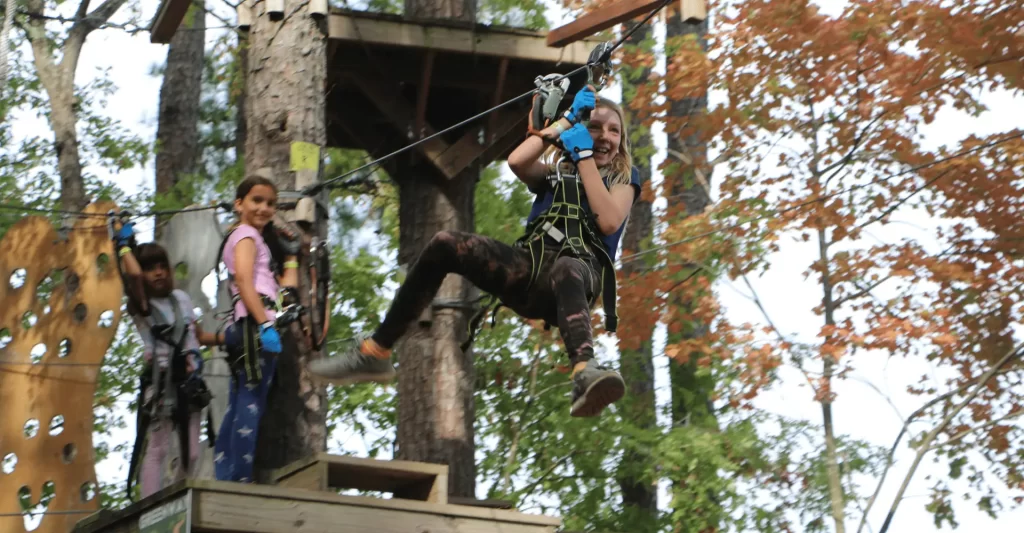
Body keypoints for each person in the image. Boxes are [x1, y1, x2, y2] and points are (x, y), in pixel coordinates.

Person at [308, 86, 641, 417]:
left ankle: (585, 369)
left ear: (621, 142)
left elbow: (609, 221)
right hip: (529, 272)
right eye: (595, 127)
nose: (605, 136)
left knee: (567, 266)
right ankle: (376, 350)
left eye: (614, 130)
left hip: (576, 280)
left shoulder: (624, 178)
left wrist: (583, 156)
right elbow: (518, 161)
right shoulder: (558, 174)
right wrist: (566, 121)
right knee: (445, 244)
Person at [112, 227, 221, 500]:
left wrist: (230, 338)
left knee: (192, 452)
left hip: (190, 383)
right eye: (151, 268)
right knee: (158, 449)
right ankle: (151, 504)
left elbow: (198, 336)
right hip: (162, 385)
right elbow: (134, 276)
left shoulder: (181, 299)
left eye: (162, 266)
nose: (158, 273)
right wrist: (123, 247)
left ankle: (177, 498)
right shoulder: (142, 306)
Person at [213, 174, 300, 483]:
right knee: (250, 407)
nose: (264, 208)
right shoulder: (246, 234)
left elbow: (281, 292)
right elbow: (244, 282)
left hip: (247, 325)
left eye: (270, 203)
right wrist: (265, 325)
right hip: (254, 327)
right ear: (239, 204)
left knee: (239, 404)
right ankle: (238, 480)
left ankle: (226, 474)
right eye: (257, 200)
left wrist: (291, 259)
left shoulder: (247, 236)